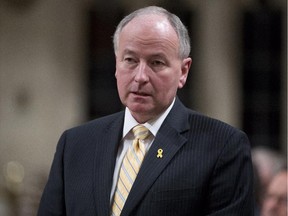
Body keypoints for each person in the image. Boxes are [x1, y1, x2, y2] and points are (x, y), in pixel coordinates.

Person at [37, 6, 254, 216]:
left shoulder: (223, 146)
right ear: (116, 64)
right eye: (130, 60)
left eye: (156, 62)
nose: (140, 76)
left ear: (183, 71)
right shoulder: (75, 144)